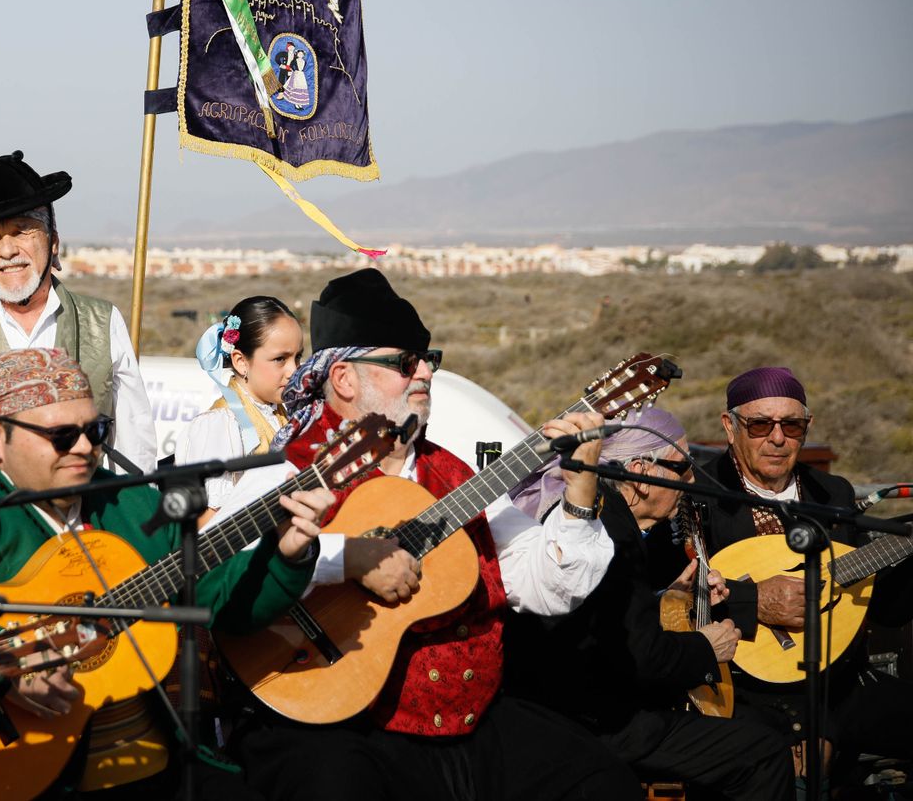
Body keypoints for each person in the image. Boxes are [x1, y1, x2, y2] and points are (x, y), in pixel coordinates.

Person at [221, 268, 638, 801]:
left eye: (427, 359)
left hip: (470, 721)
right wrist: (347, 558)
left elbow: (544, 590)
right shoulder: (291, 469)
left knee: (601, 783)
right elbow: (227, 577)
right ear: (345, 378)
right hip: (340, 721)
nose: (424, 372)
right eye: (403, 362)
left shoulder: (460, 477)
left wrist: (580, 491)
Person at [0, 348, 332, 799]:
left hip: (158, 762)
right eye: (62, 436)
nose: (85, 448)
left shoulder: (131, 501)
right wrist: (2, 658)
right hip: (26, 769)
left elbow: (221, 601)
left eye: (95, 430)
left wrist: (285, 553)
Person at [503, 407, 793, 800]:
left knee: (759, 726)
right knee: (764, 751)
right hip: (593, 723)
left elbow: (608, 617)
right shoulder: (610, 531)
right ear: (641, 473)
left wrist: (667, 595)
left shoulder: (602, 515)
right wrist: (708, 647)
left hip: (561, 710)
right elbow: (644, 659)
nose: (690, 481)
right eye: (682, 468)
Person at [698, 366, 913, 776]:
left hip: (838, 683)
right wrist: (756, 601)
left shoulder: (833, 493)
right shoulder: (701, 495)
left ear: (807, 427)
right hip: (742, 690)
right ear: (730, 426)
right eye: (760, 424)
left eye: (792, 425)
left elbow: (878, 607)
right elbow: (676, 603)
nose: (777, 438)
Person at [0, 151, 159, 475]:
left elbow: (135, 446)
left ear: (53, 242)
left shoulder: (102, 322)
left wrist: (137, 520)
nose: (7, 250)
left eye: (22, 231)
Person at [177, 296, 302, 519]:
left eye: (297, 357)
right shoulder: (221, 426)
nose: (294, 370)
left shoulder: (286, 414)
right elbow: (207, 525)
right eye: (280, 359)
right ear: (241, 361)